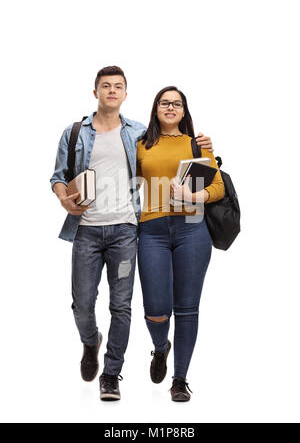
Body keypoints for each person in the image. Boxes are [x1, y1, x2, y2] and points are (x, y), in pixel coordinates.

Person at [50, 67, 213, 401]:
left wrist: (201, 153)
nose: (112, 91)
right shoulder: (77, 133)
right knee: (83, 303)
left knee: (123, 306)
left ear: (126, 94)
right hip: (93, 230)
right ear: (95, 92)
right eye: (105, 86)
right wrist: (64, 197)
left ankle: (112, 374)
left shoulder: (141, 134)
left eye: (118, 86)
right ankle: (98, 341)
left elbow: (198, 171)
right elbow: (59, 176)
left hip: (128, 231)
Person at [137, 86, 225, 402]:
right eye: (165, 102)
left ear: (184, 110)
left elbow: (217, 187)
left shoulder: (197, 145)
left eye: (177, 103)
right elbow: (125, 183)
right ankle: (161, 348)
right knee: (155, 310)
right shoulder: (140, 144)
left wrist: (194, 196)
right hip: (151, 231)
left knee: (186, 309)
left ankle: (180, 379)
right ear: (156, 108)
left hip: (192, 230)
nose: (171, 107)